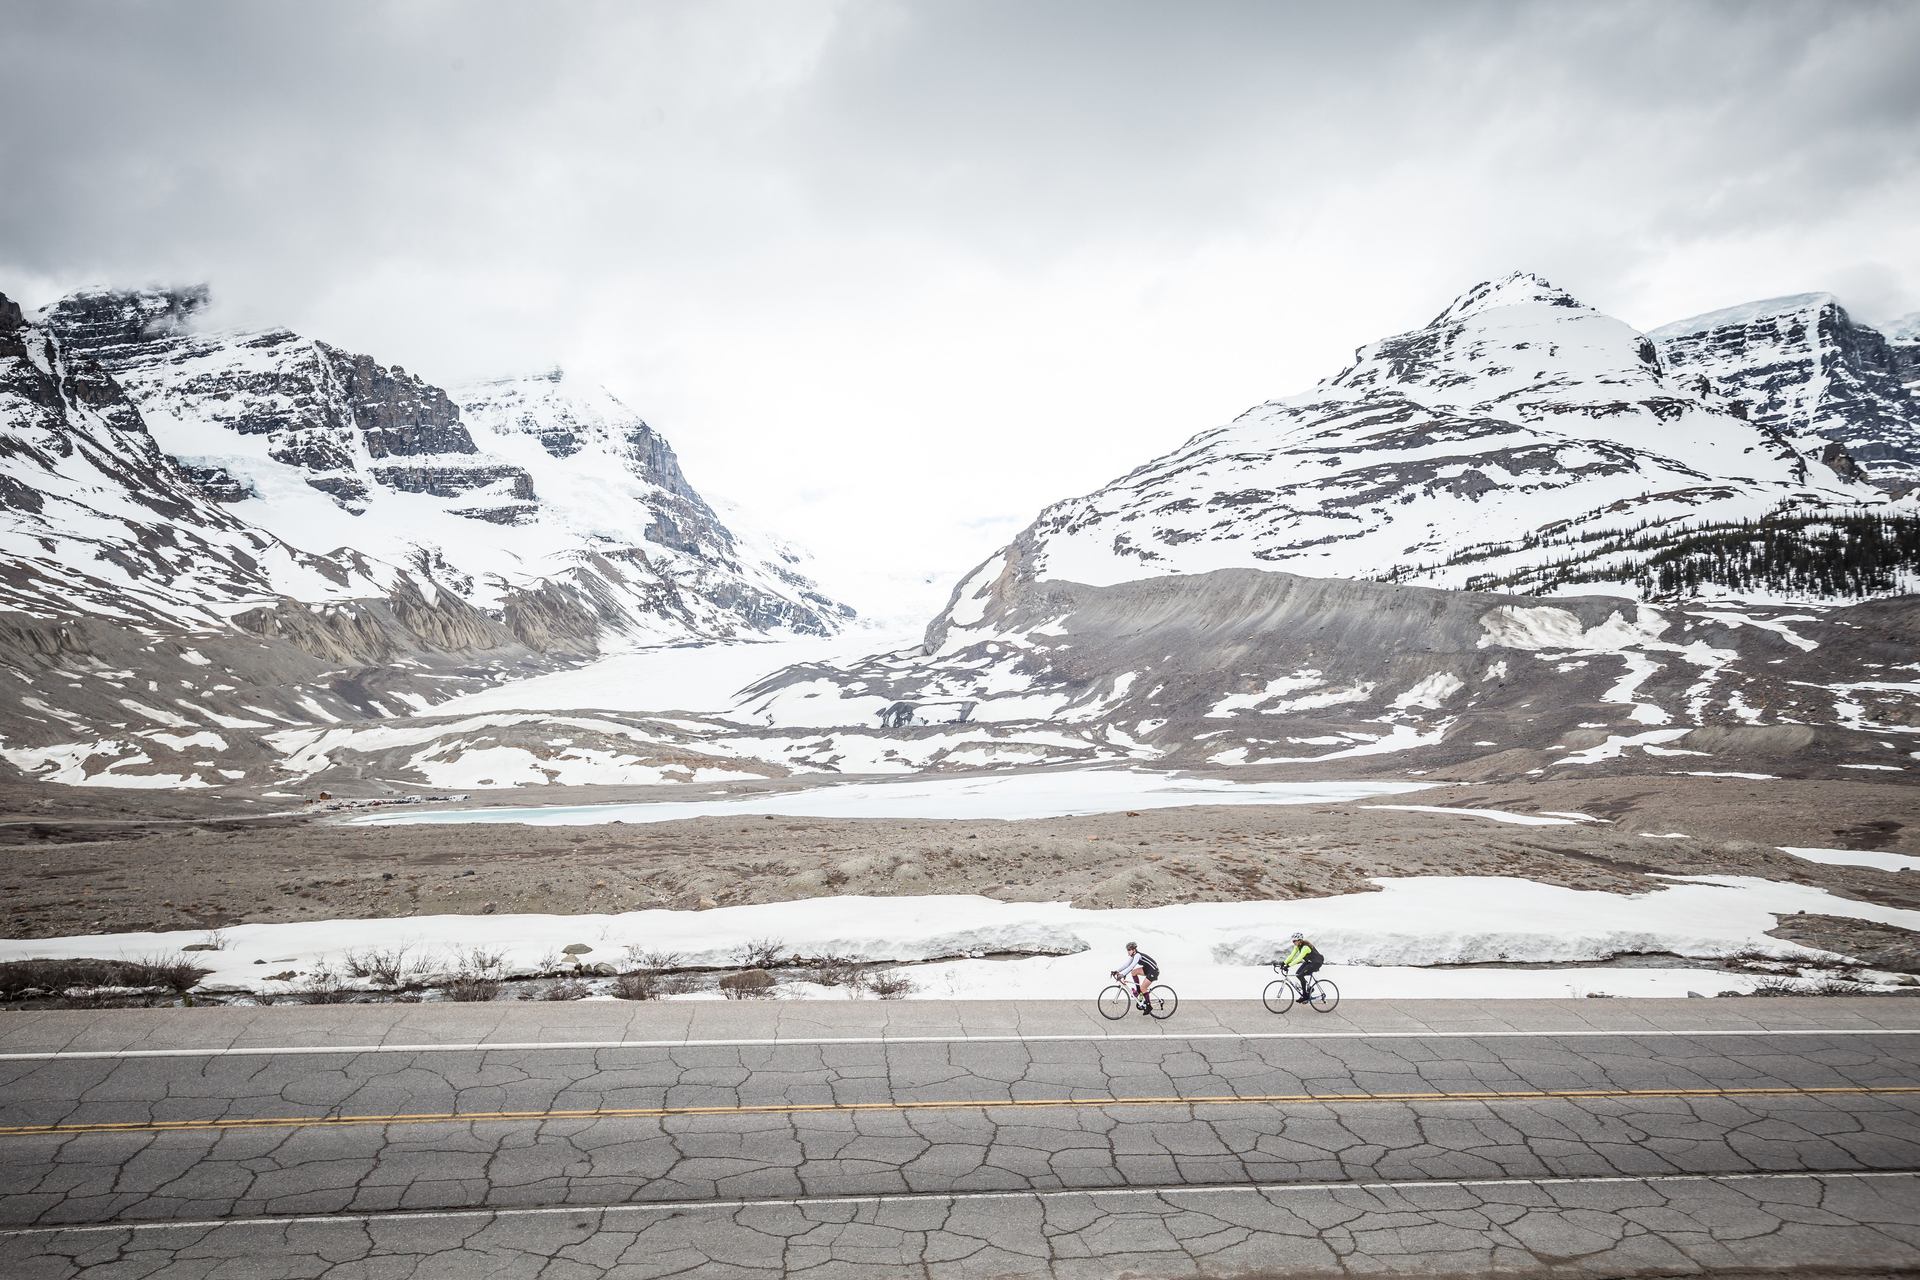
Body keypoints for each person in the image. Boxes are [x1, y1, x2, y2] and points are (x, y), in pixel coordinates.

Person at [1111, 941, 1160, 1013]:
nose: (1128, 952)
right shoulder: (1133, 956)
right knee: (1134, 972)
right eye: (1127, 950)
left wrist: (1123, 974)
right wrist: (1117, 971)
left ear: (1134, 950)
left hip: (1153, 971)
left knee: (1143, 988)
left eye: (1129, 950)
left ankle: (1149, 1006)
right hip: (1147, 969)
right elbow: (1126, 965)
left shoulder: (1137, 955)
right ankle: (1139, 991)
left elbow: (1131, 966)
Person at [1282, 932, 1323, 999]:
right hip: (1309, 962)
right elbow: (1292, 955)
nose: (1293, 942)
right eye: (1293, 941)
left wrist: (1288, 966)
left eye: (1294, 941)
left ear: (1299, 940)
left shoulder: (1305, 947)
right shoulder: (1298, 946)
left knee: (1300, 975)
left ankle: (1305, 995)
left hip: (1316, 963)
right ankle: (1309, 989)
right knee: (1298, 973)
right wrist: (1284, 963)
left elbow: (1299, 959)